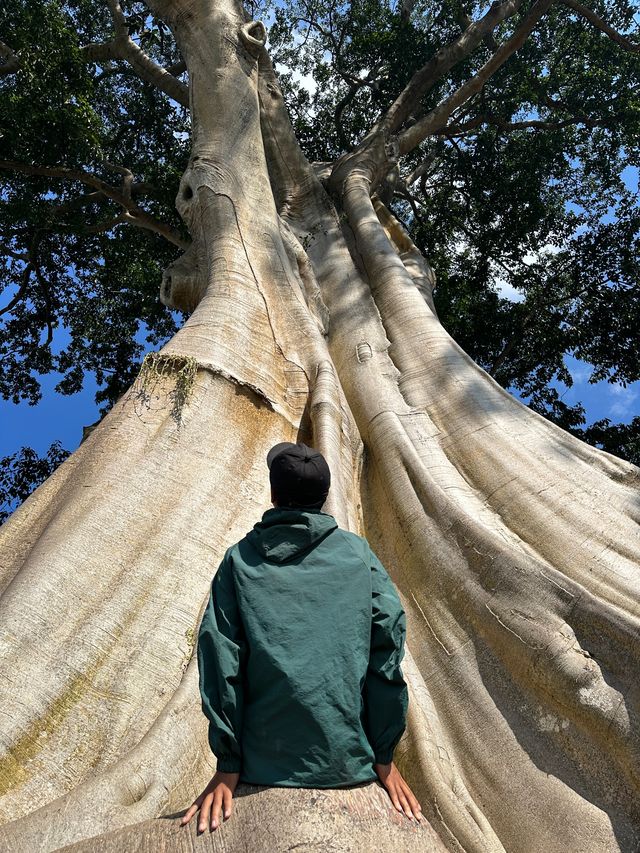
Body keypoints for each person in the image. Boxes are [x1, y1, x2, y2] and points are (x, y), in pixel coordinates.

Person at [181, 441, 424, 833]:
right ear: (325, 498)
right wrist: (383, 757)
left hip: (262, 762)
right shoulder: (359, 555)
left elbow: (219, 657)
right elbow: (387, 651)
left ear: (274, 494)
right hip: (349, 760)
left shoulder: (239, 559)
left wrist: (229, 766)